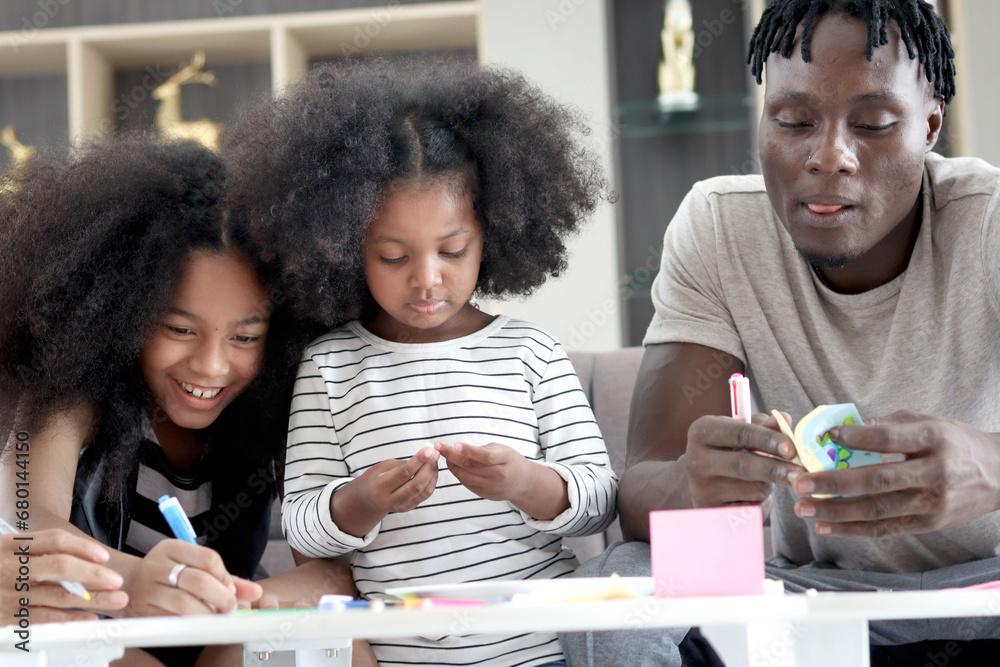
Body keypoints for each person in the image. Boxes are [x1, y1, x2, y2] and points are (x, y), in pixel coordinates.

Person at [561, 1, 1000, 665]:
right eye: (793, 121)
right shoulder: (718, 228)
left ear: (931, 126)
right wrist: (692, 482)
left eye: (875, 124)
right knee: (616, 581)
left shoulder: (989, 220)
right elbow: (641, 494)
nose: (829, 157)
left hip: (983, 594)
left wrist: (991, 467)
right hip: (809, 602)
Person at [222, 59, 619, 666]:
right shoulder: (330, 366)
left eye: (452, 249)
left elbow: (599, 499)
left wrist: (523, 482)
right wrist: (364, 498)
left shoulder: (530, 352)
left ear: (494, 234)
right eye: (392, 255)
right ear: (345, 246)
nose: (426, 279)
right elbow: (301, 527)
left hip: (541, 654)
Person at [0, 133, 346, 667]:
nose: (211, 366)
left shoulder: (286, 405)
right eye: (179, 329)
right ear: (124, 311)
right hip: (101, 634)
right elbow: (25, 514)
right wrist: (131, 580)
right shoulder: (72, 391)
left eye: (245, 337)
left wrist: (246, 615)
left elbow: (327, 570)